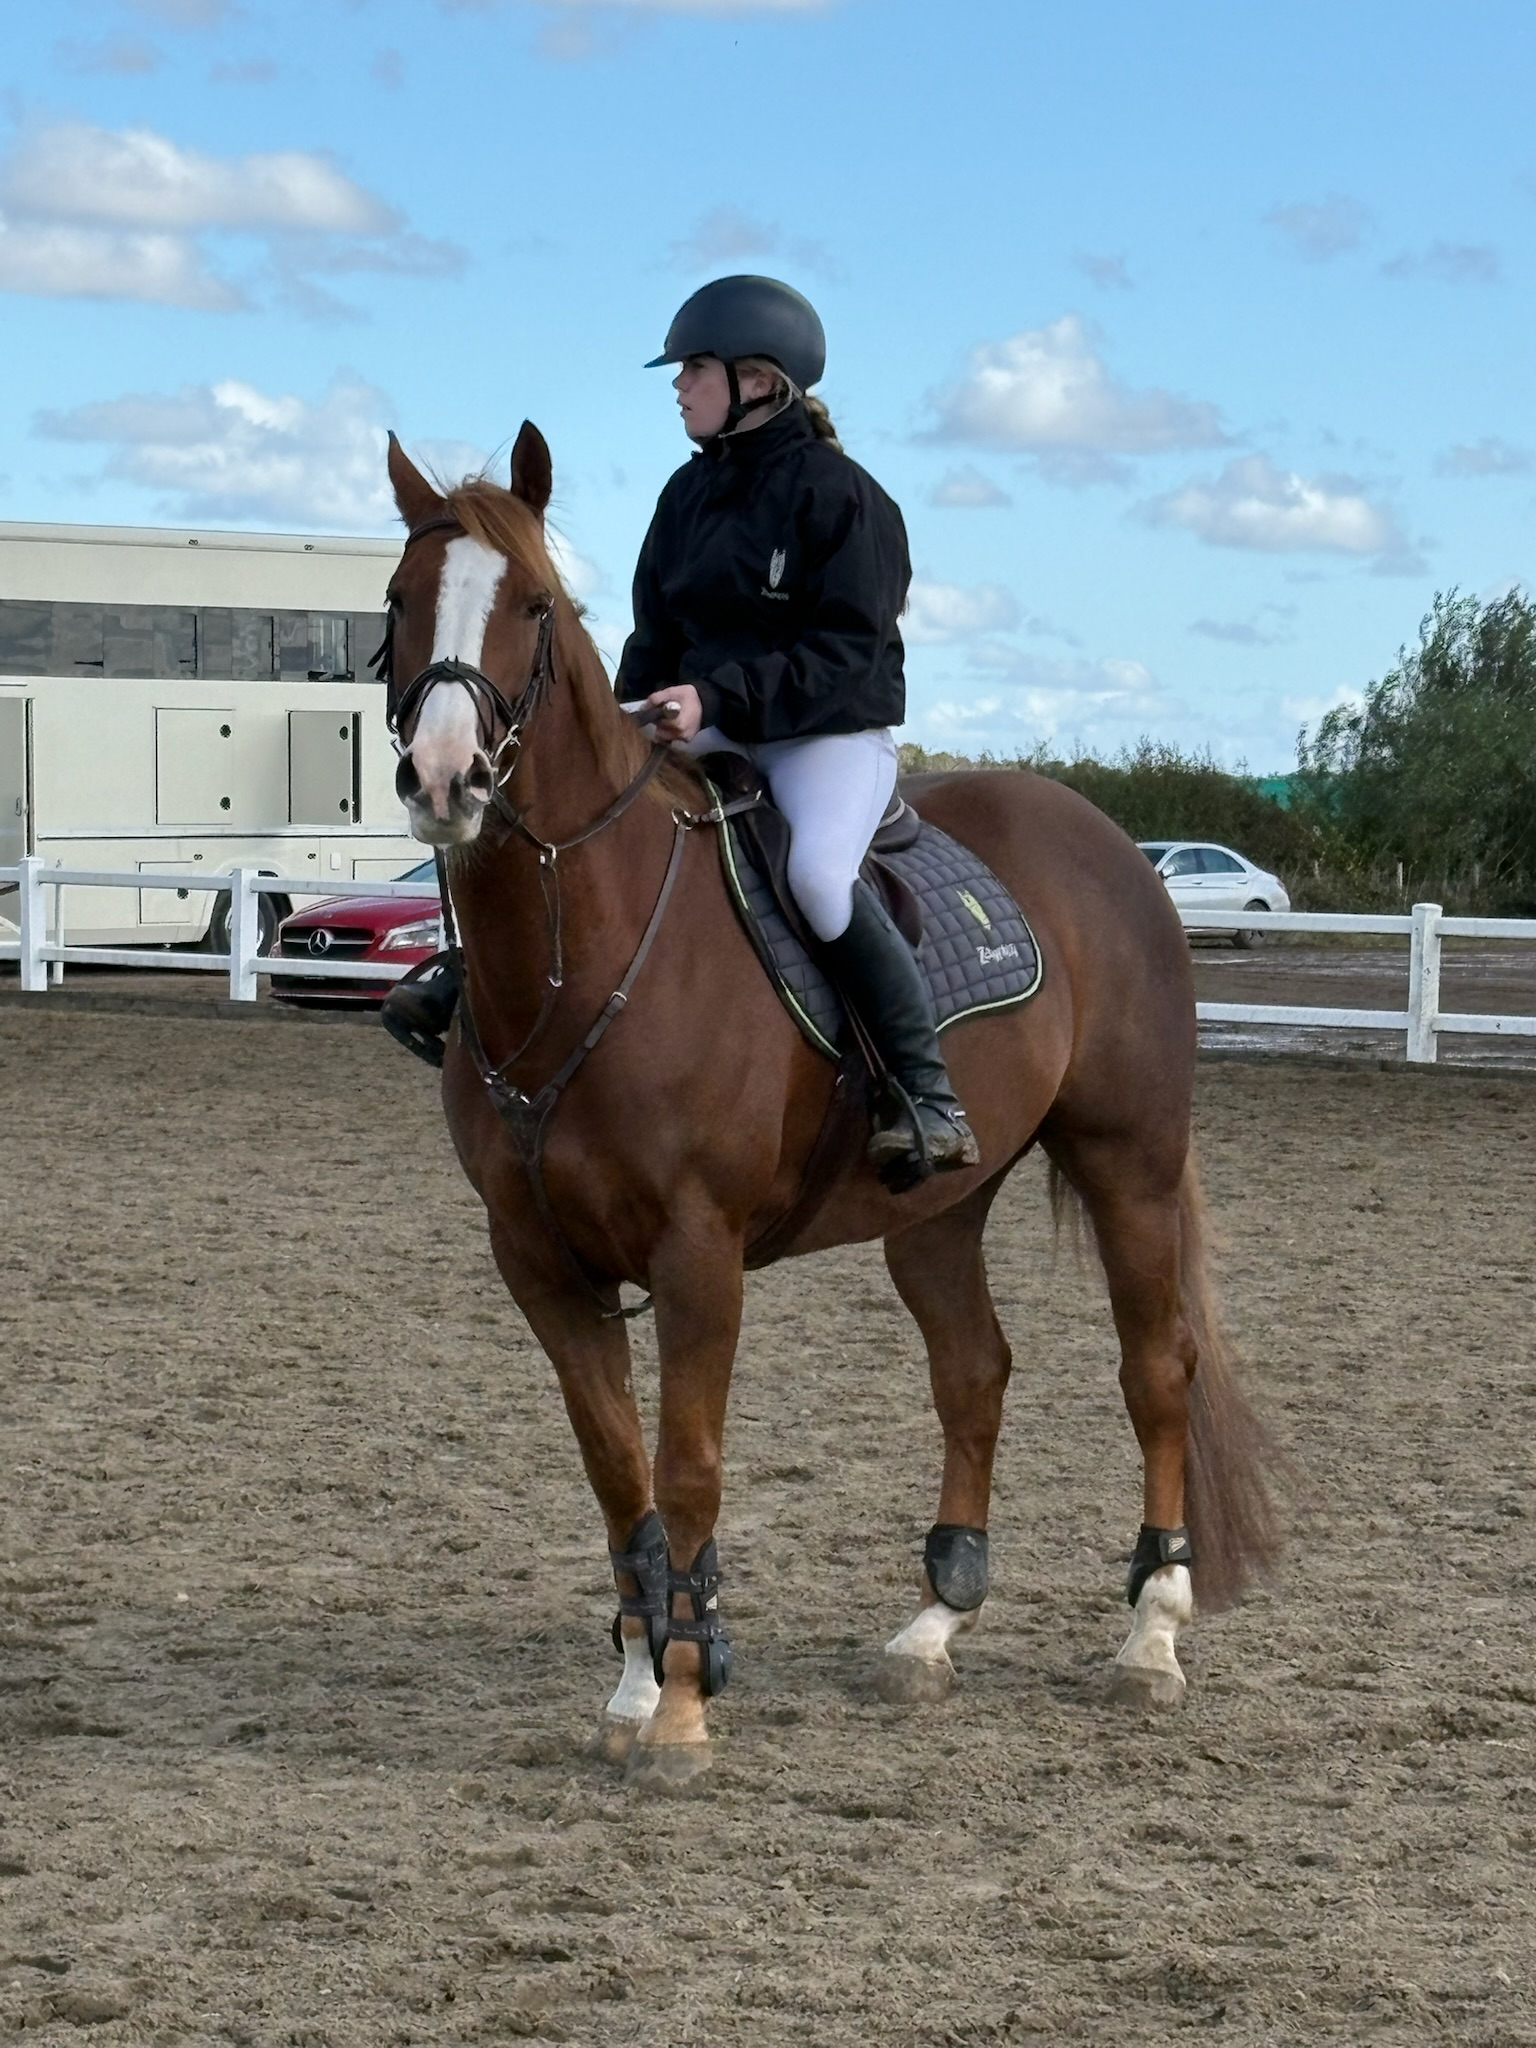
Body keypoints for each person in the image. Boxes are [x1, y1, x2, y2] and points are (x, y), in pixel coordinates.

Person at [616, 275, 978, 1177]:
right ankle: (468, 985)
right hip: (709, 725)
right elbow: (652, 633)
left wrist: (718, 698)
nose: (679, 385)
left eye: (695, 368)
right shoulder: (682, 498)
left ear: (761, 380)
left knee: (818, 878)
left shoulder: (846, 499)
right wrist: (637, 705)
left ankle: (927, 1094)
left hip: (826, 736)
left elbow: (846, 655)